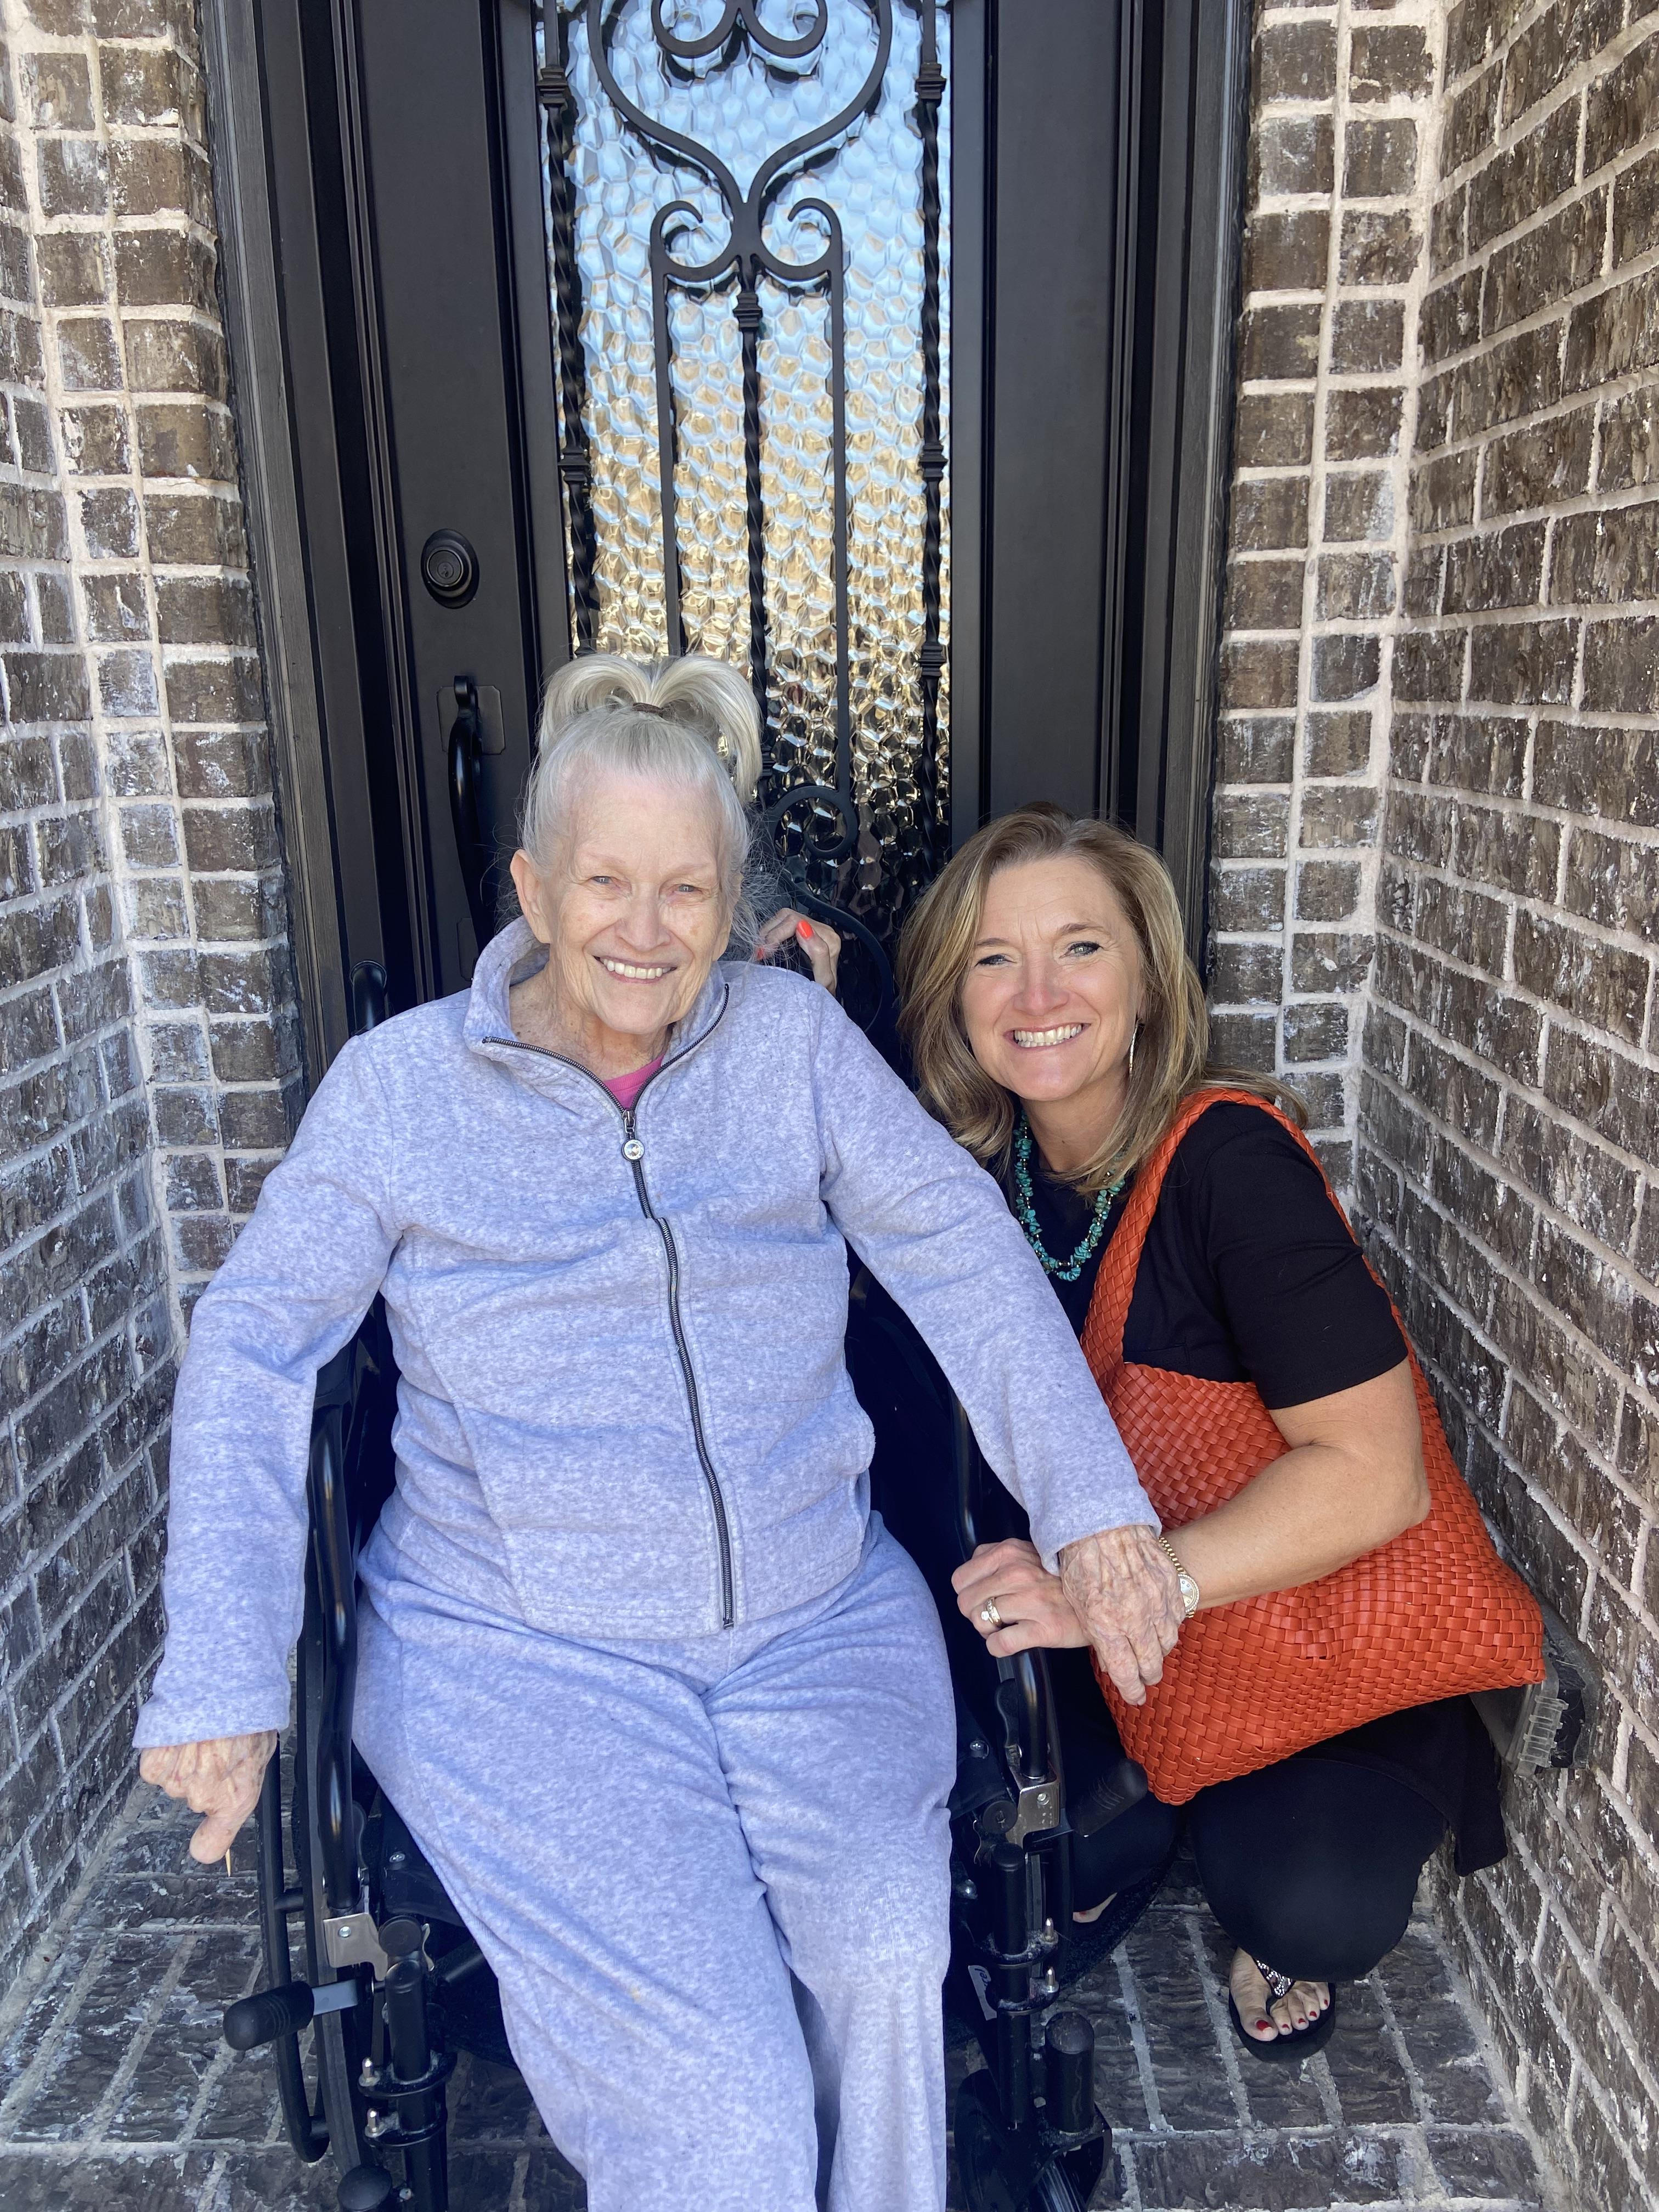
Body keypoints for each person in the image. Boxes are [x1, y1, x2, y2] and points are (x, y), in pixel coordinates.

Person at [133, 659, 1175, 2212]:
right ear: (532, 889)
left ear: (731, 903)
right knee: (726, 2115)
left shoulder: (792, 1048)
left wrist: (1096, 1510)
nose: (645, 928)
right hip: (522, 1656)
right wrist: (226, 1666)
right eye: (605, 882)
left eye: (686, 889)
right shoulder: (402, 1092)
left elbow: (959, 1247)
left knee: (885, 1956)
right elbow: (255, 1340)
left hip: (814, 1618)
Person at [857, 801, 1538, 2062]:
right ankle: (1159, 1792)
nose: (1038, 994)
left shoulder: (1228, 1163)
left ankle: (1242, 1843)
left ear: (1149, 984)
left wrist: (1125, 1587)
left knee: (1314, 1900)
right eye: (995, 958)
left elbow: (1377, 1481)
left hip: (1320, 1641)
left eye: (1082, 948)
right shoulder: (971, 1184)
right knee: (1027, 1854)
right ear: (953, 998)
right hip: (1146, 1650)